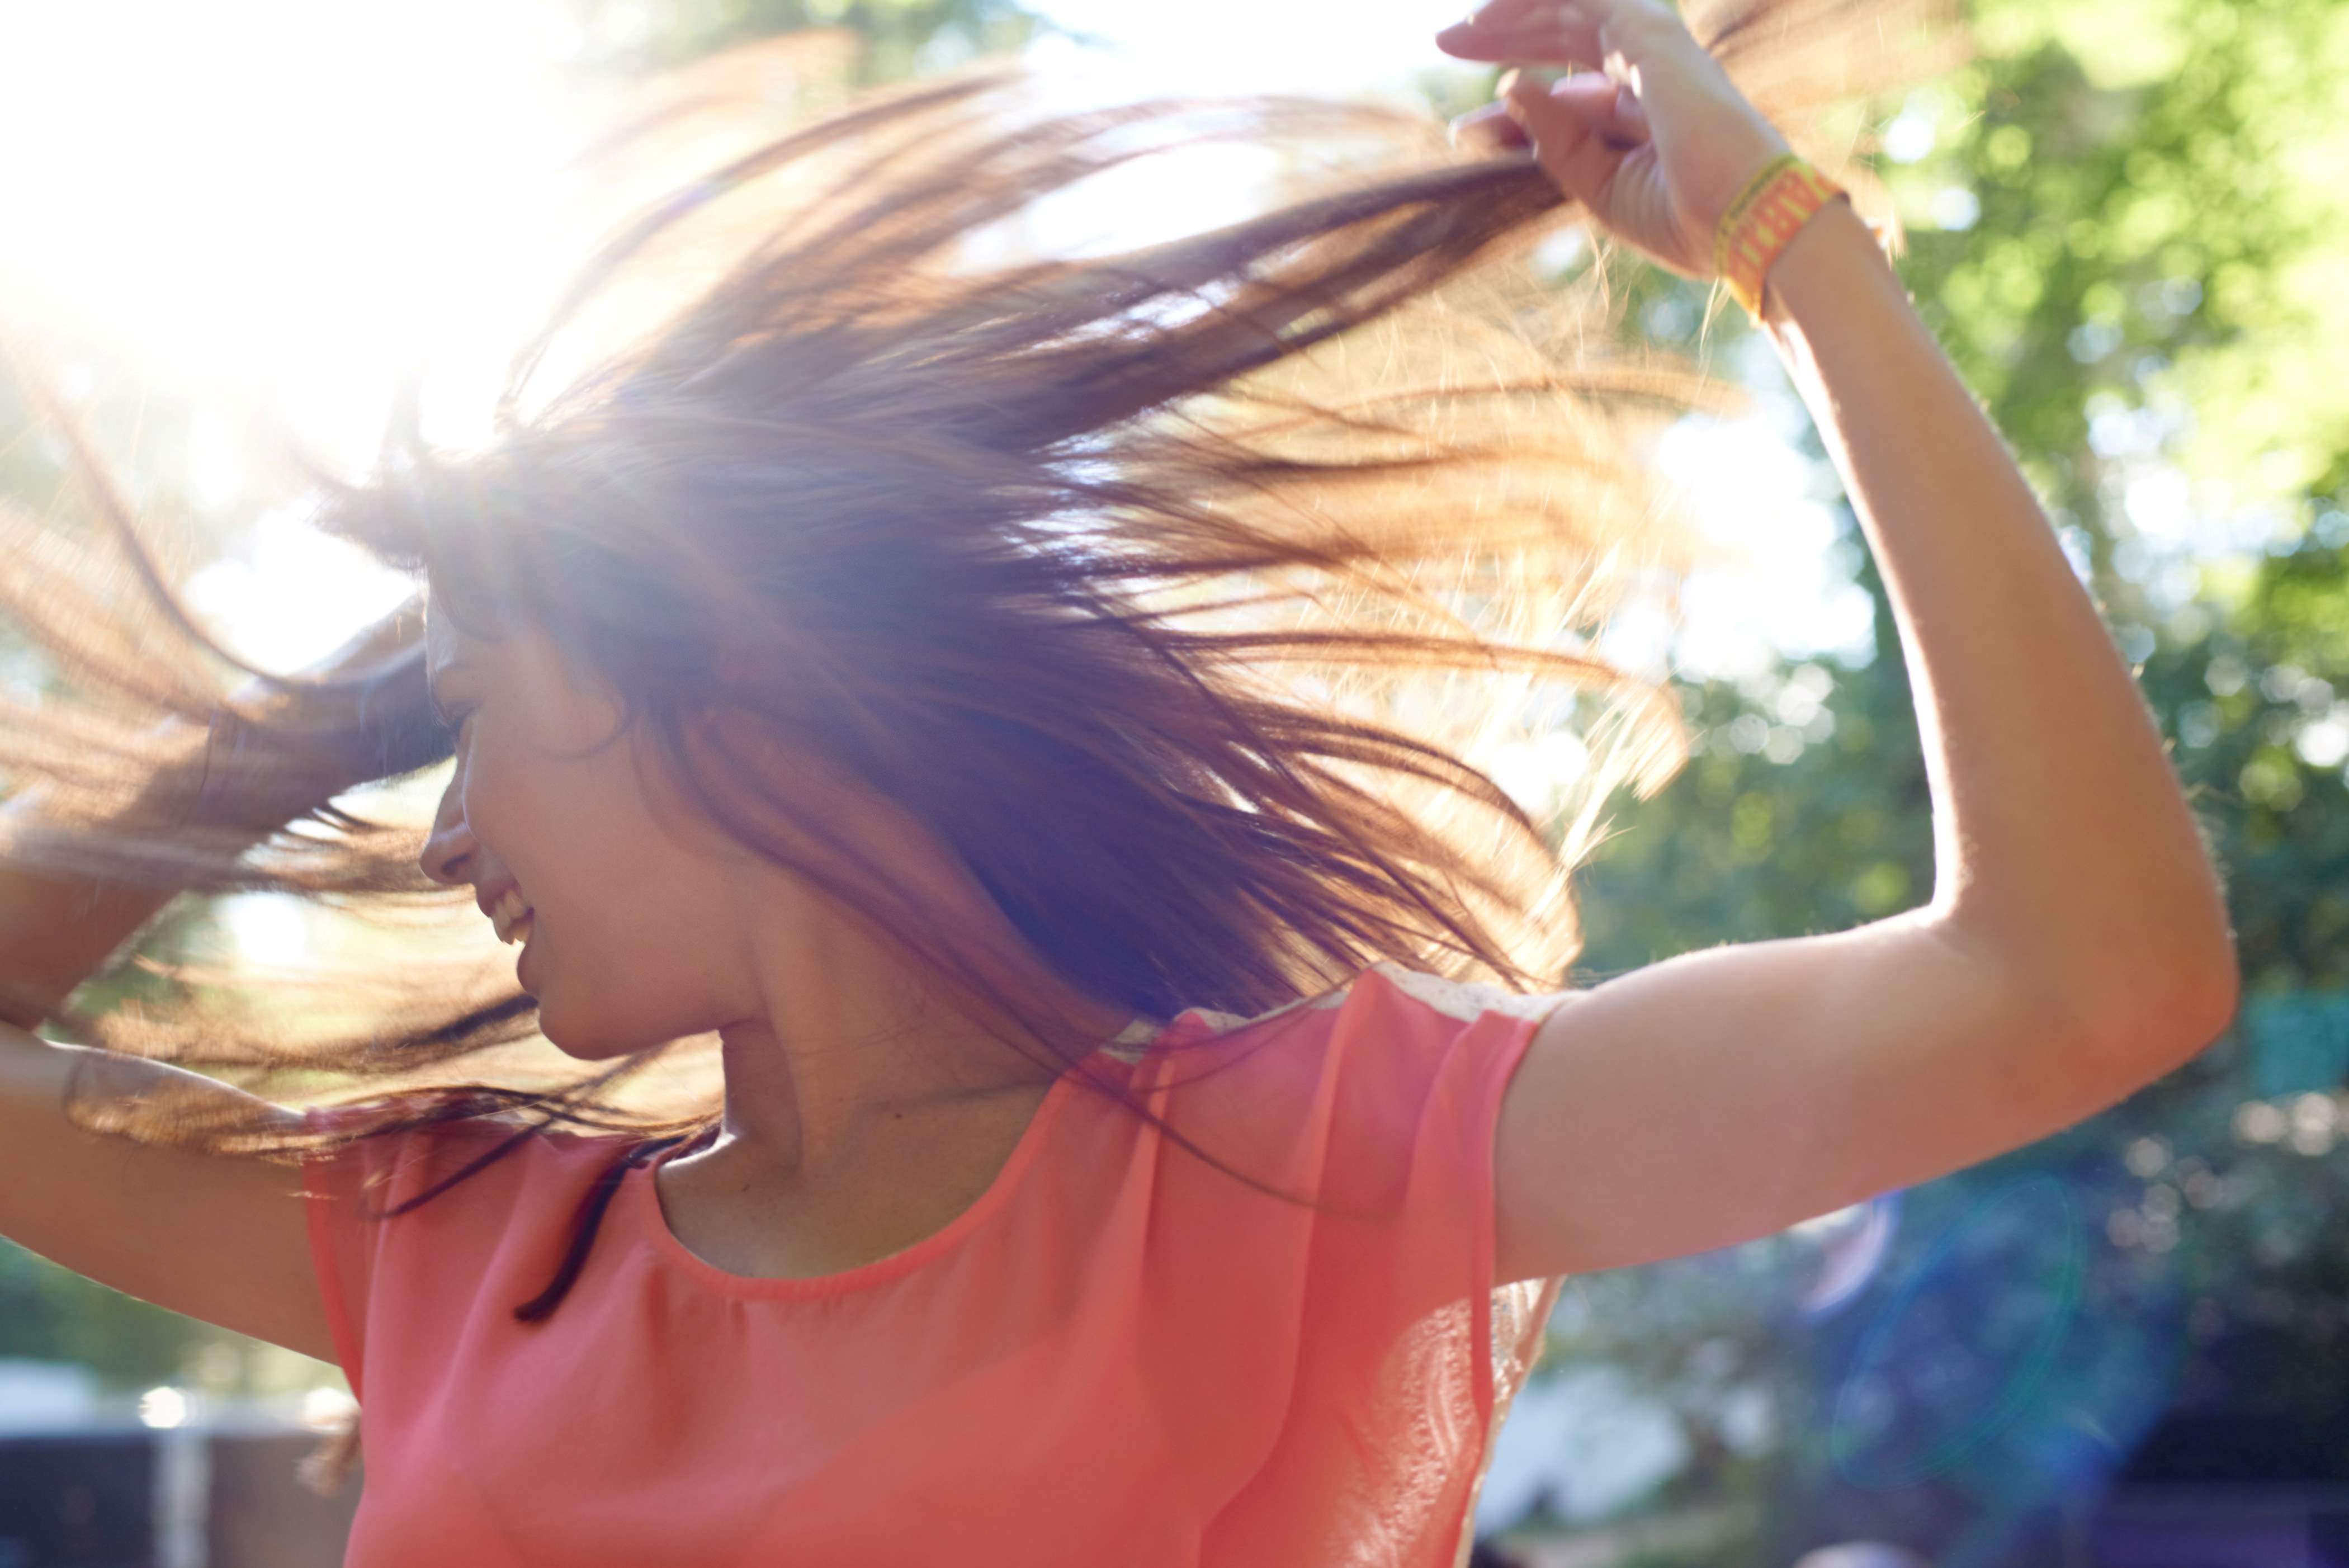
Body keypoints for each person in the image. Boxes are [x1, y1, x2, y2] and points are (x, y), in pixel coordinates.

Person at [0, 0, 2234, 1562]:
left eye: (464, 718)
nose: (439, 817)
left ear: (722, 673)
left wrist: (1788, 247)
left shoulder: (1279, 1176)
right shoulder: (469, 1244)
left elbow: (2080, 972)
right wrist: (369, 677)